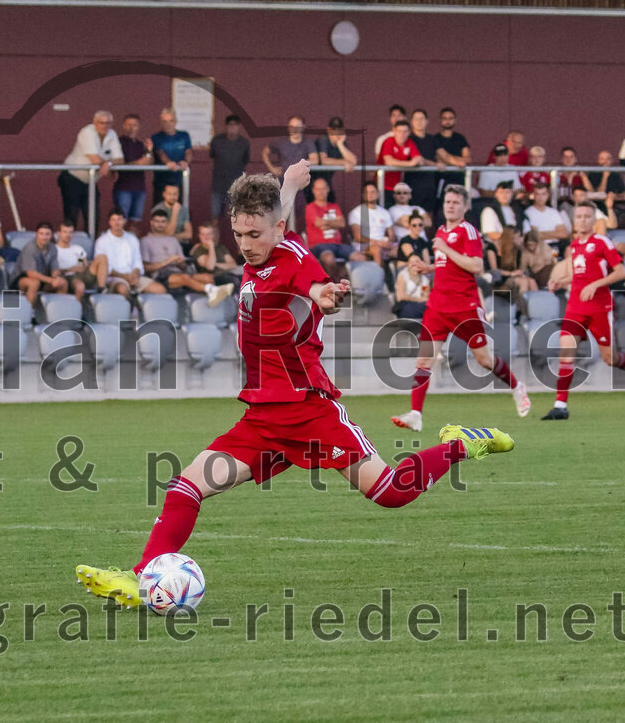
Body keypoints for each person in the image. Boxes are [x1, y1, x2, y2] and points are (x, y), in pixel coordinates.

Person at [75, 162, 515, 608]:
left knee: (391, 492)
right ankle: (137, 578)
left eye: (255, 236)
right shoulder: (265, 237)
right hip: (262, 417)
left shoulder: (295, 259)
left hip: (309, 409)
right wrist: (288, 183)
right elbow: (272, 215)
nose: (246, 246)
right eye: (239, 235)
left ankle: (462, 443)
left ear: (278, 229)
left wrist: (324, 294)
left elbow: (314, 281)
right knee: (186, 487)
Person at [392, 185, 531, 432]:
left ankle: (516, 386)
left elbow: (476, 265)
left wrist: (445, 249)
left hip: (463, 306)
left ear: (465, 206)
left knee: (484, 359)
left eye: (456, 202)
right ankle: (416, 413)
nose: (451, 205)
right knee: (424, 359)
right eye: (448, 201)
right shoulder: (441, 231)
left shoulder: (469, 232)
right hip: (437, 306)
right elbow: (449, 263)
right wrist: (430, 267)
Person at [542, 203, 625, 420]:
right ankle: (560, 405)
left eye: (586, 217)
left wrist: (595, 285)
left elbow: (620, 272)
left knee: (610, 358)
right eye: (578, 216)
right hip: (576, 307)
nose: (581, 220)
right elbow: (580, 275)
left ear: (593, 221)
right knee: (566, 351)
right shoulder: (574, 246)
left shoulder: (601, 242)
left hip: (599, 307)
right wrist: (561, 281)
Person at [141, 209, 232, 306]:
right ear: (152, 223)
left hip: (178, 272)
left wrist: (180, 263)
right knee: (185, 277)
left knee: (207, 278)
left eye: (163, 221)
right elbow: (145, 268)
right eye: (157, 221)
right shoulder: (146, 241)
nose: (160, 224)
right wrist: (167, 261)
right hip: (160, 275)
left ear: (167, 223)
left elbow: (184, 266)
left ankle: (208, 305)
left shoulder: (173, 240)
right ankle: (212, 292)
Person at [60, 110, 123, 231]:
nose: (104, 126)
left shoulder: (112, 134)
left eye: (108, 123)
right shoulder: (87, 132)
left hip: (90, 181)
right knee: (71, 213)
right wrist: (107, 168)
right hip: (72, 177)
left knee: (93, 214)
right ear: (94, 123)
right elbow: (93, 158)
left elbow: (120, 159)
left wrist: (108, 164)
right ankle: (68, 245)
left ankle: (91, 245)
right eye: (101, 123)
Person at [93, 208, 165, 297]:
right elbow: (103, 267)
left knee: (160, 289)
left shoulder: (132, 239)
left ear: (124, 221)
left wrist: (135, 274)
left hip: (133, 276)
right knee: (122, 289)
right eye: (113, 220)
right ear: (109, 222)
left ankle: (144, 308)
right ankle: (132, 309)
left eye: (119, 219)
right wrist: (124, 276)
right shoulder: (102, 241)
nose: (116, 223)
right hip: (114, 277)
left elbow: (137, 261)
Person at [208, 114, 251, 219]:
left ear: (239, 127)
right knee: (214, 217)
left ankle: (237, 236)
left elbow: (246, 161)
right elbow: (212, 156)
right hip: (218, 186)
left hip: (237, 187)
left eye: (235, 125)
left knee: (237, 218)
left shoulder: (244, 143)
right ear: (225, 126)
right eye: (230, 125)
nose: (232, 128)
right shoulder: (216, 141)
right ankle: (213, 236)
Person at [114, 114, 152, 228]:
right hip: (123, 188)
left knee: (136, 221)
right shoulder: (118, 143)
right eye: (129, 124)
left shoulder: (141, 144)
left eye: (134, 125)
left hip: (140, 188)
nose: (132, 128)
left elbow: (148, 162)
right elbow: (121, 163)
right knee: (121, 221)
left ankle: (132, 244)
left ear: (139, 127)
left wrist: (149, 150)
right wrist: (139, 163)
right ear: (123, 126)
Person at [55, 219, 107, 301]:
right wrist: (71, 268)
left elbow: (83, 263)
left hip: (82, 274)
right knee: (80, 286)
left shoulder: (77, 248)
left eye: (70, 232)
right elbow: (53, 270)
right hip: (67, 276)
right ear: (59, 233)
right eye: (65, 232)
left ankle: (102, 289)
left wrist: (83, 267)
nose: (68, 235)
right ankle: (76, 310)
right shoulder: (54, 250)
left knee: (102, 257)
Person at [14, 221, 66, 304]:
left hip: (43, 279)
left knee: (62, 283)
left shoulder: (53, 247)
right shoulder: (30, 248)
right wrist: (51, 281)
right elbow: (31, 273)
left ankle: (58, 313)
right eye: (41, 234)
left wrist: (56, 278)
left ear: (51, 235)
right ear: (37, 234)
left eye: (47, 234)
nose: (44, 237)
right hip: (19, 281)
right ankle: (29, 314)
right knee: (34, 283)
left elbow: (54, 269)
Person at [150, 108, 193, 204]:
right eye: (165, 121)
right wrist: (168, 163)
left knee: (180, 210)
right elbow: (160, 153)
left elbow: (189, 152)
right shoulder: (156, 137)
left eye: (171, 121)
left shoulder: (184, 135)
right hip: (161, 182)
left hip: (179, 181)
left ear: (176, 121)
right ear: (161, 122)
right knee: (160, 213)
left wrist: (185, 162)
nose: (168, 124)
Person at [348, 182, 395, 264]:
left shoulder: (384, 212)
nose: (370, 195)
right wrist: (377, 242)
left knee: (403, 248)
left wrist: (389, 242)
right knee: (377, 250)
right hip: (365, 245)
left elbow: (392, 234)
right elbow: (357, 236)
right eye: (367, 192)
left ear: (378, 194)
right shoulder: (357, 212)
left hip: (383, 244)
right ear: (363, 195)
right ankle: (380, 276)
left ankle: (405, 275)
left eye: (372, 192)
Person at [304, 177, 349, 261]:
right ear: (313, 190)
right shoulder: (310, 207)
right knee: (329, 258)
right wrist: (335, 223)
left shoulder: (334, 206)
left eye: (323, 189)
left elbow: (342, 223)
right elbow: (318, 223)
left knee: (359, 256)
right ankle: (331, 275)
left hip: (337, 245)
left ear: (328, 189)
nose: (321, 192)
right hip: (318, 246)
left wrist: (325, 223)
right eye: (318, 189)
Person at [377, 119, 423, 200]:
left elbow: (418, 159)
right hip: (383, 185)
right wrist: (410, 164)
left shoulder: (410, 142)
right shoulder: (388, 141)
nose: (402, 134)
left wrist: (415, 162)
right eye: (399, 131)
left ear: (409, 132)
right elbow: (389, 161)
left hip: (399, 187)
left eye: (405, 131)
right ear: (394, 131)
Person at [313, 115, 356, 201]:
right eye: (334, 130)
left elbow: (353, 161)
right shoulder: (323, 139)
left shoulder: (340, 143)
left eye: (340, 130)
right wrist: (344, 162)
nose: (337, 133)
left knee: (331, 204)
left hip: (327, 181)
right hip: (313, 181)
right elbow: (324, 160)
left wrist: (340, 145)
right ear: (329, 130)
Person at [406, 109, 441, 214]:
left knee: (428, 217)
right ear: (411, 122)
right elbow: (418, 159)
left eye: (422, 119)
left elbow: (443, 155)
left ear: (427, 121)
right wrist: (435, 164)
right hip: (412, 185)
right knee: (414, 216)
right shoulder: (408, 139)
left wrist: (459, 162)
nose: (419, 121)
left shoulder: (432, 139)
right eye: (416, 119)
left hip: (429, 185)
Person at [190, 222, 241, 291]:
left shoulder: (220, 248)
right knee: (235, 281)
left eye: (209, 234)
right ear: (199, 236)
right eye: (203, 234)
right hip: (213, 278)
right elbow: (210, 267)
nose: (206, 237)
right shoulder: (198, 250)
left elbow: (233, 265)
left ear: (213, 235)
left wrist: (216, 264)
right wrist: (211, 247)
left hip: (229, 274)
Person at [434, 107, 472, 189]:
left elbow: (468, 159)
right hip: (441, 180)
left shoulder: (460, 138)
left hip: (459, 179)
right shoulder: (435, 138)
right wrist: (458, 161)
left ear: (455, 120)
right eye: (445, 118)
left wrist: (446, 160)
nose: (447, 121)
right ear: (440, 120)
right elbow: (437, 158)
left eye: (450, 118)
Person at [151, 183, 192, 255]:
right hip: (163, 245)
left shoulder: (183, 209)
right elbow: (168, 233)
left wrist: (172, 237)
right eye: (169, 194)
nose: (172, 197)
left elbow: (189, 234)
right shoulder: (159, 209)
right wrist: (175, 213)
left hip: (180, 244)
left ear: (178, 195)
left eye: (175, 194)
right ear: (164, 194)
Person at [394, 254, 431, 320]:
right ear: (408, 264)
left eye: (417, 261)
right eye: (411, 262)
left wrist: (421, 300)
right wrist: (418, 299)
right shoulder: (403, 275)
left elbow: (425, 297)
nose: (414, 264)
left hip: (420, 306)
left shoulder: (424, 279)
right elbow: (401, 297)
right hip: (406, 306)